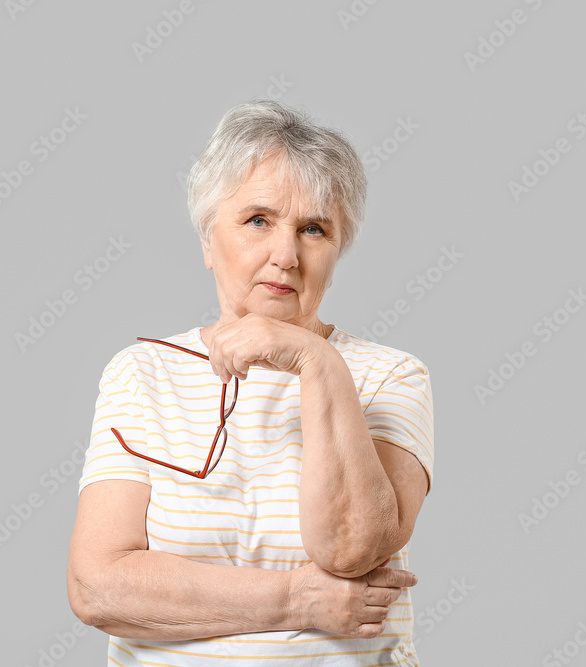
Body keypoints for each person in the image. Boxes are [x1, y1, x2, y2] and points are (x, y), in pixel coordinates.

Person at [67, 99, 434, 666]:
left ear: (337, 254)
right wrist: (297, 601)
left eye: (313, 229)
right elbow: (99, 589)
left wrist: (316, 361)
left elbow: (350, 546)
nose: (285, 256)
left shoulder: (390, 376)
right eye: (258, 220)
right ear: (208, 239)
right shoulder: (141, 374)